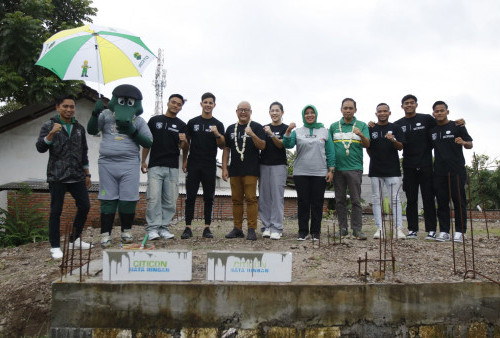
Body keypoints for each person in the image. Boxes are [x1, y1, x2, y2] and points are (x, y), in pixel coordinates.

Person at [87, 85, 153, 248]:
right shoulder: (106, 115)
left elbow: (148, 141)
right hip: (107, 163)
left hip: (129, 163)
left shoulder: (139, 121)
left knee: (128, 199)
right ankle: (105, 234)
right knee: (107, 199)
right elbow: (92, 129)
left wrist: (132, 130)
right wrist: (95, 114)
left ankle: (126, 231)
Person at [36, 95, 92, 259]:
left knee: (85, 206)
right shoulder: (49, 125)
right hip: (57, 176)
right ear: (57, 107)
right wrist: (51, 135)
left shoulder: (79, 128)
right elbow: (40, 148)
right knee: (56, 211)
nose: (69, 110)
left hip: (77, 175)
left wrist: (87, 173)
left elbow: (84, 153)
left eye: (72, 107)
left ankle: (74, 240)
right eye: (65, 106)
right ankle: (54, 246)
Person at [283, 105, 335, 241]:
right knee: (303, 202)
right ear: (303, 115)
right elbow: (287, 144)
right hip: (301, 172)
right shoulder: (298, 131)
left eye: (312, 113)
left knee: (317, 203)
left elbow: (330, 151)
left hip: (320, 173)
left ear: (316, 114)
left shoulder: (324, 131)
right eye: (307, 113)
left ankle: (315, 232)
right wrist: (288, 131)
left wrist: (331, 170)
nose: (310, 115)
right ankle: (303, 232)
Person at [141, 94, 188, 240]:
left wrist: (185, 141)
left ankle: (164, 227)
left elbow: (184, 147)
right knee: (154, 198)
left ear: (181, 107)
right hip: (155, 166)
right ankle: (152, 229)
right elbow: (147, 142)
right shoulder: (155, 121)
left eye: (179, 104)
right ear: (168, 103)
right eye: (173, 102)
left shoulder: (182, 125)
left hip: (172, 167)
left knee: (170, 199)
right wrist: (143, 161)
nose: (175, 105)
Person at [180, 92, 225, 239]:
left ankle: (207, 228)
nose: (208, 105)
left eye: (210, 103)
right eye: (205, 102)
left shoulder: (218, 124)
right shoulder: (192, 122)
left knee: (209, 197)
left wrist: (217, 133)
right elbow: (186, 144)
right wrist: (184, 160)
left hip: (209, 165)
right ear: (201, 104)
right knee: (190, 196)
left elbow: (222, 146)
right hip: (193, 164)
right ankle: (188, 227)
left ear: (214, 105)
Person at [394, 94, 438, 240]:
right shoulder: (398, 124)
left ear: (416, 105)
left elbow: (442, 126)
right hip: (408, 165)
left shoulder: (426, 119)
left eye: (412, 103)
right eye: (406, 103)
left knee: (428, 198)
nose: (409, 105)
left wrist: (458, 124)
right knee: (411, 199)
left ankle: (431, 230)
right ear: (402, 106)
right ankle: (412, 229)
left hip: (426, 164)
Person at [222, 101, 266, 241]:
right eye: (241, 109)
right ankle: (237, 228)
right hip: (234, 170)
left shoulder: (257, 127)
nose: (243, 112)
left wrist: (252, 134)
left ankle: (252, 229)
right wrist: (224, 168)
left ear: (250, 112)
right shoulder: (230, 128)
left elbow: (262, 146)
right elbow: (226, 149)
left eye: (246, 110)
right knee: (236, 200)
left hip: (251, 170)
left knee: (251, 199)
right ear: (236, 111)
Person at [430, 101, 473, 242]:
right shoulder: (433, 130)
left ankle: (460, 231)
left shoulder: (457, 126)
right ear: (433, 114)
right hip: (439, 171)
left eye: (442, 110)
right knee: (442, 202)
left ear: (447, 112)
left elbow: (470, 144)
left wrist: (463, 142)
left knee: (459, 201)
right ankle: (444, 231)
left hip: (456, 170)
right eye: (437, 111)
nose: (439, 113)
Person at [329, 98, 370, 240]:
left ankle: (357, 230)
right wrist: (331, 169)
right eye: (345, 108)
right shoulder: (334, 126)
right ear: (341, 110)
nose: (348, 110)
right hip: (338, 169)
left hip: (355, 168)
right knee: (339, 200)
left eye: (350, 108)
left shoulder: (362, 125)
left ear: (355, 110)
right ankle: (342, 229)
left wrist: (361, 135)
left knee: (356, 200)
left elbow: (367, 144)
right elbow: (330, 149)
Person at [367, 103, 406, 240]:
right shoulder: (371, 128)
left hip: (393, 170)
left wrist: (393, 139)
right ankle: (380, 228)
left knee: (395, 200)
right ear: (376, 113)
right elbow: (368, 146)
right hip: (375, 170)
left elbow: (401, 146)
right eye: (379, 111)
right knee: (376, 199)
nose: (382, 113)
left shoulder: (395, 128)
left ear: (389, 113)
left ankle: (398, 229)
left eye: (385, 111)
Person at [259, 102, 289, 240]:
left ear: (282, 112)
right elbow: (261, 146)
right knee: (264, 197)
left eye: (277, 110)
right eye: (272, 110)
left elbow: (281, 145)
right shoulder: (263, 127)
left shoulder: (286, 128)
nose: (275, 113)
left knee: (277, 197)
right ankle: (266, 226)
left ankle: (277, 227)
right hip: (264, 164)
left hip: (279, 165)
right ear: (269, 112)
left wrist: (271, 134)